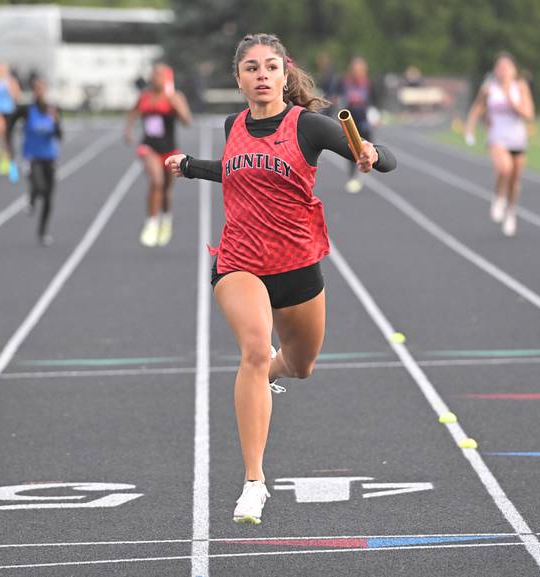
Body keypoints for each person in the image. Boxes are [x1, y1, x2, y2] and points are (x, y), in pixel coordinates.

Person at [166, 33, 396, 525]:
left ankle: (272, 371)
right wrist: (190, 166)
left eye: (270, 66)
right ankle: (254, 483)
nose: (262, 75)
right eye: (252, 68)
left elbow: (384, 158)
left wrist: (373, 155)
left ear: (284, 74)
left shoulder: (310, 126)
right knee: (252, 348)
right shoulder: (233, 125)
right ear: (240, 78)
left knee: (301, 364)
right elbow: (233, 171)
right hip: (239, 260)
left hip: (296, 266)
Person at [464, 52, 535, 237]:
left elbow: (529, 114)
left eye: (507, 67)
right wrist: (469, 128)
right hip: (497, 137)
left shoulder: (520, 87)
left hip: (517, 138)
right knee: (504, 168)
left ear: (514, 70)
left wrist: (514, 104)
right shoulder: (489, 88)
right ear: (495, 70)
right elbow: (478, 107)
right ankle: (498, 197)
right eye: (500, 67)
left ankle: (511, 212)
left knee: (514, 180)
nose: (503, 71)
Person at [124, 63, 192, 247]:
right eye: (153, 75)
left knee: (167, 191)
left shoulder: (175, 97)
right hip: (148, 147)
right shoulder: (145, 97)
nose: (155, 78)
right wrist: (128, 129)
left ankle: (166, 219)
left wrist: (177, 107)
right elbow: (133, 112)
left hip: (169, 150)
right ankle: (151, 223)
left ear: (167, 78)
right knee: (156, 182)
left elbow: (187, 121)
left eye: (159, 75)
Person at [6, 77, 62, 246]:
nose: (40, 91)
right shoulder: (26, 110)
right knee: (39, 186)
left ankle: (43, 231)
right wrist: (9, 147)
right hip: (32, 156)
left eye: (42, 88)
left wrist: (55, 121)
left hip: (49, 157)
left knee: (48, 198)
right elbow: (9, 126)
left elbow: (59, 135)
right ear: (33, 90)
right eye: (37, 88)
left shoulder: (52, 110)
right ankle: (31, 199)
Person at [340, 56, 377, 193]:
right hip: (350, 119)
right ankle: (352, 176)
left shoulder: (368, 83)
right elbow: (338, 98)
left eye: (360, 69)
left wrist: (375, 116)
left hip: (364, 120)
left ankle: (361, 174)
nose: (358, 71)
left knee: (365, 148)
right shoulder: (345, 82)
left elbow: (374, 101)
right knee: (351, 149)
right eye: (355, 69)